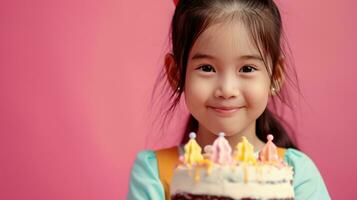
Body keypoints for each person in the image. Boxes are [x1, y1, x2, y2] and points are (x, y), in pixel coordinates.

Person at [127, 0, 330, 199]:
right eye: (207, 68)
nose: (227, 90)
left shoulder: (297, 174)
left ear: (275, 76)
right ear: (176, 74)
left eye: (247, 69)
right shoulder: (154, 173)